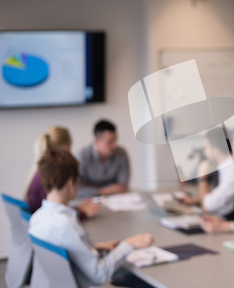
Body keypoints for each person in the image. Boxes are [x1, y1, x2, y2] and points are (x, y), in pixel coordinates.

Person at [28, 148, 154, 287]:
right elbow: (100, 273)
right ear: (71, 182)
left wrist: (96, 247)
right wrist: (130, 243)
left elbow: (63, 251)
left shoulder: (37, 218)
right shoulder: (67, 226)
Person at [25, 126, 99, 219]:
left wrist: (77, 209)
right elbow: (57, 214)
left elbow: (56, 207)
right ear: (64, 149)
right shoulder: (51, 175)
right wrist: (82, 214)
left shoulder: (44, 170)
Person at [181, 128, 234, 216]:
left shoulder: (232, 173)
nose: (205, 153)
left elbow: (207, 207)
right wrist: (197, 200)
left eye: (207, 148)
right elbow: (217, 198)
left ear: (216, 151)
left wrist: (202, 178)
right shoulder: (228, 167)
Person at [77, 120, 130, 199]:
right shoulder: (82, 156)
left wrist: (90, 186)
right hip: (88, 202)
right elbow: (78, 190)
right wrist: (105, 190)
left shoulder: (121, 153)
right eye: (110, 142)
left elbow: (121, 187)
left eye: (115, 140)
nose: (114, 146)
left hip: (116, 201)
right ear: (97, 141)